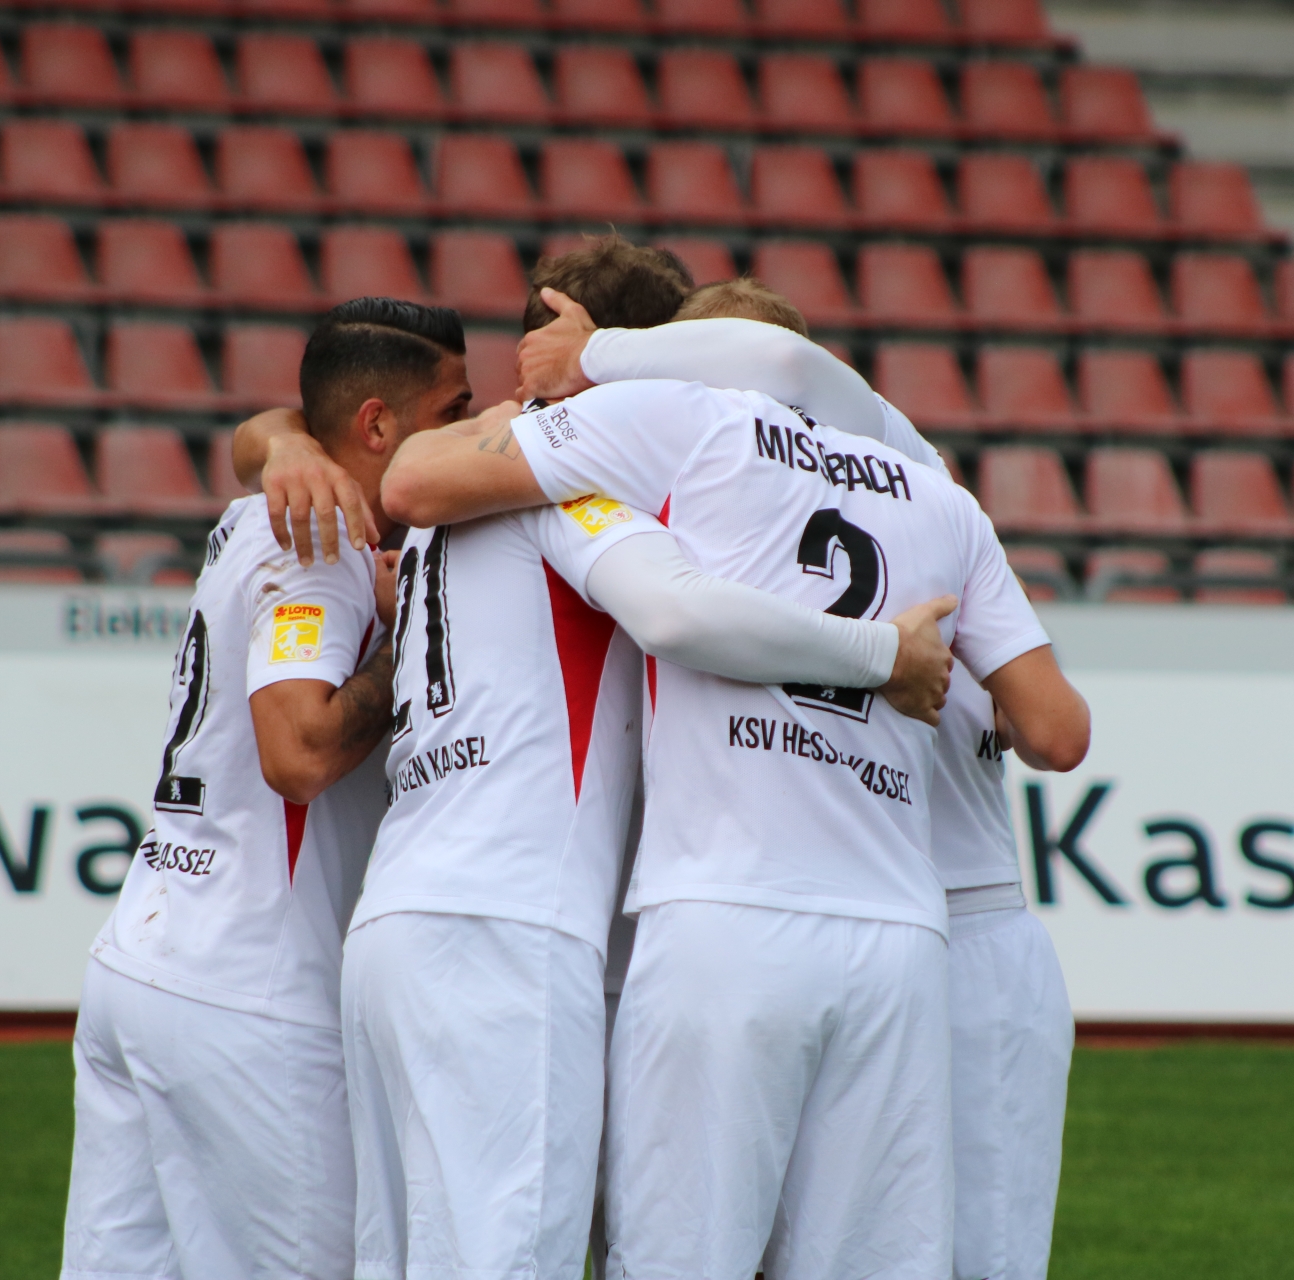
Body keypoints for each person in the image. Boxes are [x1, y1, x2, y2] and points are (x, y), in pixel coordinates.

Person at [230, 240, 958, 1280]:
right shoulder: (565, 484)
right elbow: (676, 610)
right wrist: (880, 652)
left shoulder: (460, 483)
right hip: (511, 927)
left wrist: (276, 437)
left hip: (401, 918)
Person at [378, 333, 1067, 1280]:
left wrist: (590, 364)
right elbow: (1058, 732)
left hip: (710, 911)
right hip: (902, 930)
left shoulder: (679, 421)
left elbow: (416, 480)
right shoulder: (934, 489)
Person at [59, 297, 473, 1280]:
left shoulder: (260, 507)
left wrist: (281, 438)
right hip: (252, 994)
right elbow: (299, 752)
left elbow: (266, 437)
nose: (465, 433)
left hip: (144, 959)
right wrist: (408, 637)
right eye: (452, 411)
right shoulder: (323, 537)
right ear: (377, 424)